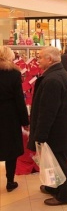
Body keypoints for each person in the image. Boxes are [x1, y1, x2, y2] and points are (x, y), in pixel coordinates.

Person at [27, 46, 67, 206]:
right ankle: (54, 187)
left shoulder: (53, 79)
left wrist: (40, 134)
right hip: (58, 129)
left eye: (40, 57)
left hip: (55, 131)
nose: (37, 60)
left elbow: (48, 111)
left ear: (49, 59)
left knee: (58, 162)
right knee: (53, 161)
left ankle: (64, 196)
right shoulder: (57, 75)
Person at [0, 46, 29, 192]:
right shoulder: (13, 73)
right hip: (9, 116)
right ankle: (10, 182)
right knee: (10, 151)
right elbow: (19, 100)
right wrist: (25, 121)